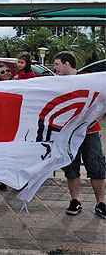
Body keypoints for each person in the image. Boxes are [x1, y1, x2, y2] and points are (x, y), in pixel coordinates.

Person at [53, 51, 105, 219]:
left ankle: (101, 202)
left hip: (90, 131)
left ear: (67, 64)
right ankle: (75, 200)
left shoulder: (89, 79)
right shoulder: (56, 83)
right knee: (71, 167)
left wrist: (97, 117)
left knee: (96, 166)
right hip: (68, 134)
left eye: (57, 64)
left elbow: (102, 101)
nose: (55, 68)